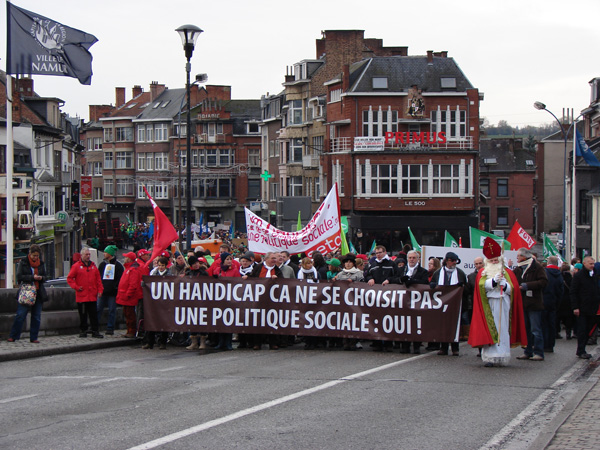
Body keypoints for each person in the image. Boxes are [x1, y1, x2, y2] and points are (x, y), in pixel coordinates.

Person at [468, 238, 527, 367]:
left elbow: (514, 290)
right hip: (489, 305)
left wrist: (505, 285)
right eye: (492, 261)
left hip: (503, 303)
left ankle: (501, 355)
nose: (494, 263)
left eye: (496, 260)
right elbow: (481, 287)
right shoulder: (483, 273)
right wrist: (493, 281)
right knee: (490, 329)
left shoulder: (507, 273)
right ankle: (489, 357)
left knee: (503, 329)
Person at [8, 244, 49, 343]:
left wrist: (41, 278)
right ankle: (13, 336)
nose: (36, 258)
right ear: (30, 254)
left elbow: (45, 277)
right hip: (26, 292)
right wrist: (32, 278)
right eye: (34, 255)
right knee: (20, 315)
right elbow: (19, 276)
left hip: (38, 292)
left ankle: (34, 337)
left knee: (36, 316)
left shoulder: (41, 264)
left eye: (37, 256)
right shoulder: (23, 262)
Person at [513, 247, 548, 361]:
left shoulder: (536, 267)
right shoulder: (518, 269)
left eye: (518, 256)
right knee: (526, 329)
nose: (517, 258)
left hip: (534, 303)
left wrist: (527, 285)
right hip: (522, 303)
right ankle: (527, 351)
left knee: (535, 329)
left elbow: (543, 281)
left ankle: (538, 352)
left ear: (524, 257)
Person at [430, 251, 468, 356]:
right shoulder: (438, 273)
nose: (454, 263)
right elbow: (432, 286)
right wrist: (432, 285)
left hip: (455, 305)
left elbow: (467, 289)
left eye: (455, 261)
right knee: (443, 325)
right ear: (447, 261)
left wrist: (461, 286)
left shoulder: (460, 273)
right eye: (452, 261)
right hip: (441, 304)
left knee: (454, 325)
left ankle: (455, 348)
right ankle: (444, 347)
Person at [245, 252, 283, 350]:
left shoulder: (277, 270)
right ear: (266, 259)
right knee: (258, 321)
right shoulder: (259, 267)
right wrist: (246, 277)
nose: (274, 260)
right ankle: (257, 343)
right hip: (259, 299)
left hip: (272, 299)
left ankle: (273, 342)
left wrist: (277, 279)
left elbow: (283, 282)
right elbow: (253, 277)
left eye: (275, 258)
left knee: (272, 320)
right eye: (273, 258)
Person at [365, 245, 397, 351]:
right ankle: (377, 342)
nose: (378, 255)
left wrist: (389, 280)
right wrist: (370, 278)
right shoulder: (373, 264)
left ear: (385, 252)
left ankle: (388, 344)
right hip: (376, 297)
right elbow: (366, 275)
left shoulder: (391, 264)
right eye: (376, 253)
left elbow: (397, 276)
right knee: (376, 319)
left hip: (389, 297)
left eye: (380, 252)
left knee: (388, 320)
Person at [67, 247, 104, 338]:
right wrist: (76, 287)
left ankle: (95, 330)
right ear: (82, 255)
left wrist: (100, 290)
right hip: (82, 295)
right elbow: (70, 278)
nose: (88, 256)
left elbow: (98, 279)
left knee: (93, 314)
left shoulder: (93, 266)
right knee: (83, 314)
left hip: (92, 295)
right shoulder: (76, 266)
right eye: (86, 254)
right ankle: (83, 330)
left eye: (89, 254)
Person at [398, 250, 429, 354]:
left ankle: (416, 346)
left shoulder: (423, 271)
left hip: (417, 301)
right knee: (404, 324)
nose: (411, 260)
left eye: (414, 258)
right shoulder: (402, 269)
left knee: (416, 325)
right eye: (410, 258)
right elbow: (394, 279)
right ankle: (404, 346)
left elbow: (425, 282)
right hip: (403, 301)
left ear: (418, 259)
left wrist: (413, 281)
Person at [570, 256, 600, 359]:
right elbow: (573, 292)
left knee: (589, 329)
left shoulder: (594, 275)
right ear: (585, 263)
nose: (592, 265)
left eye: (593, 263)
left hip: (593, 307)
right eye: (590, 264)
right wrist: (575, 307)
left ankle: (583, 348)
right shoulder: (578, 276)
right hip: (582, 307)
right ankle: (581, 350)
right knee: (582, 330)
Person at [144, 256, 172, 350]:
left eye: (162, 265)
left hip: (164, 303)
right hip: (154, 302)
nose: (160, 267)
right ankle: (150, 342)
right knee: (152, 322)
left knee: (164, 323)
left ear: (166, 265)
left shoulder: (169, 275)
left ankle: (163, 342)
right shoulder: (154, 274)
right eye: (159, 265)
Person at [97, 245, 124, 335]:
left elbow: (120, 279)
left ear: (110, 253)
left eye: (105, 252)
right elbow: (98, 277)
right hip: (103, 291)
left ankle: (110, 327)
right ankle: (95, 327)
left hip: (112, 292)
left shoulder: (118, 266)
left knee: (112, 310)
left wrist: (115, 287)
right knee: (98, 309)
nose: (104, 254)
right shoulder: (102, 264)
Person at [116, 252, 143, 339]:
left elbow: (133, 285)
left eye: (126, 257)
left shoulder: (133, 270)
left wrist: (128, 294)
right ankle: (129, 330)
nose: (124, 259)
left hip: (129, 296)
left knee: (130, 314)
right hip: (125, 295)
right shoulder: (129, 268)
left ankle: (132, 331)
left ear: (129, 259)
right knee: (127, 314)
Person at [542, 256, 564, 353]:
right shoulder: (559, 274)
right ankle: (551, 344)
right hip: (554, 302)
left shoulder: (545, 272)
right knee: (552, 324)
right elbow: (561, 291)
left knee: (544, 324)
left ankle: (545, 344)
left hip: (544, 301)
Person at [464, 256, 484, 342]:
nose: (478, 265)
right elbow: (468, 291)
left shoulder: (489, 274)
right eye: (476, 264)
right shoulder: (471, 276)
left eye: (480, 263)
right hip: (475, 305)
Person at [557, 263, 576, 340]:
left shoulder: (559, 277)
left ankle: (556, 332)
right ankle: (568, 333)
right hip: (568, 300)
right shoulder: (571, 279)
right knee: (569, 317)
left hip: (560, 299)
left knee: (558, 316)